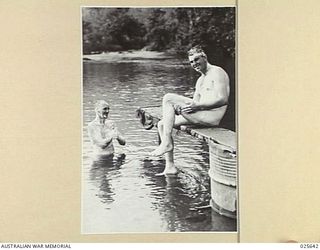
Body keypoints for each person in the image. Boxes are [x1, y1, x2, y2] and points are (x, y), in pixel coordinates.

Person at [150, 45, 230, 175]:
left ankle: (165, 143)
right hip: (202, 115)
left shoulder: (217, 72)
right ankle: (170, 166)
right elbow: (194, 103)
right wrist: (180, 108)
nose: (194, 64)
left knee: (168, 98)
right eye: (191, 62)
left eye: (197, 59)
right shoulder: (200, 80)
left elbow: (223, 99)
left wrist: (195, 106)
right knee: (162, 124)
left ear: (205, 57)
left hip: (212, 117)